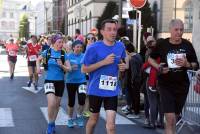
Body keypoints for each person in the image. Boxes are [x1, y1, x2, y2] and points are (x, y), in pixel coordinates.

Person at [148, 19, 199, 134]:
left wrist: (187, 64)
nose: (179, 32)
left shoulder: (187, 45)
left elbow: (196, 64)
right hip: (165, 84)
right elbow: (150, 59)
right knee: (169, 117)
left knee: (174, 117)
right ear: (170, 30)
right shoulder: (162, 44)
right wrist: (159, 67)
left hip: (182, 85)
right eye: (176, 30)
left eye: (181, 30)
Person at [82, 19, 126, 134]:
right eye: (109, 29)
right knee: (93, 120)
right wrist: (103, 62)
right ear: (102, 32)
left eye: (115, 30)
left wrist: (123, 67)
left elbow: (123, 62)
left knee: (111, 126)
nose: (113, 33)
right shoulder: (93, 48)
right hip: (96, 90)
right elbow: (84, 69)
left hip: (111, 91)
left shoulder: (120, 46)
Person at [36, 34, 71, 134]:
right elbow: (38, 60)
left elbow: (69, 69)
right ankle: (50, 124)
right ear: (54, 43)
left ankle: (52, 123)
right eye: (59, 42)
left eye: (62, 42)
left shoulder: (64, 54)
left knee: (56, 105)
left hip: (60, 82)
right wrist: (38, 68)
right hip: (49, 80)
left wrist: (62, 66)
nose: (61, 44)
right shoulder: (47, 52)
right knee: (51, 103)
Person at [65, 40, 87, 128]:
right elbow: (64, 69)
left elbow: (88, 66)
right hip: (71, 82)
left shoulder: (84, 56)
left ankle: (79, 116)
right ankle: (70, 119)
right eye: (77, 47)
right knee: (71, 102)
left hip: (82, 81)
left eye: (81, 47)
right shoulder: (68, 56)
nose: (79, 49)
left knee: (82, 100)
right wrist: (69, 68)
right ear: (73, 47)